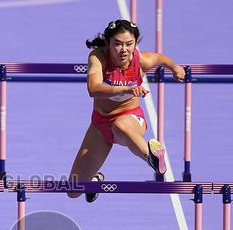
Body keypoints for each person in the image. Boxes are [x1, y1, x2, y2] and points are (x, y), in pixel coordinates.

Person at [67, 19, 184, 202]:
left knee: (121, 125)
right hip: (100, 124)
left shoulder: (141, 60)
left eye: (129, 44)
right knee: (73, 190)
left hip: (131, 118)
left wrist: (175, 68)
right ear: (108, 44)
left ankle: (152, 157)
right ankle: (95, 180)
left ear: (135, 44)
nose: (124, 50)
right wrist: (127, 89)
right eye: (118, 44)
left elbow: (161, 58)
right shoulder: (98, 58)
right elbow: (93, 88)